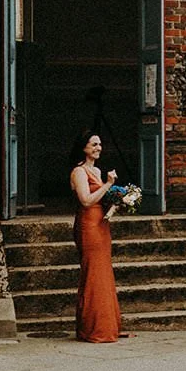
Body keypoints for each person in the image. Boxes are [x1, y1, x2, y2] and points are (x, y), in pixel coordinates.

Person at [69, 129, 124, 342]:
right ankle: (94, 328)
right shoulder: (79, 171)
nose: (98, 148)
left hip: (101, 224)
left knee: (103, 272)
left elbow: (99, 198)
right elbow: (86, 200)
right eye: (94, 144)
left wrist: (117, 201)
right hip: (88, 225)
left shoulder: (97, 171)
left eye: (99, 144)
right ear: (83, 147)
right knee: (93, 272)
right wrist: (109, 185)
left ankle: (106, 324)